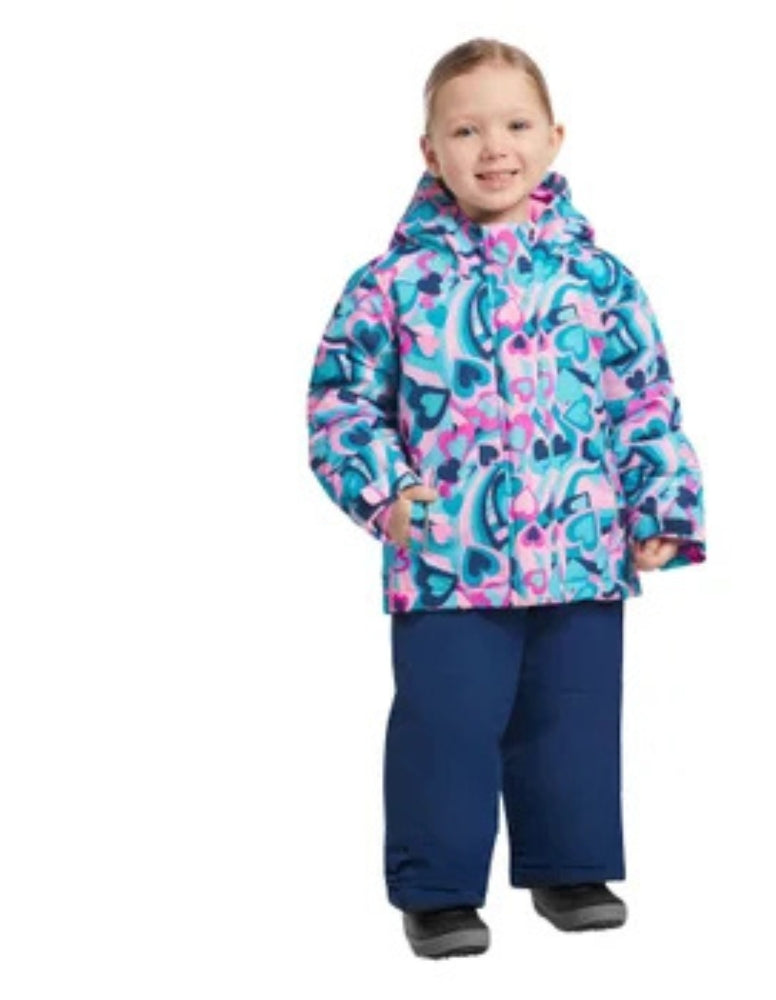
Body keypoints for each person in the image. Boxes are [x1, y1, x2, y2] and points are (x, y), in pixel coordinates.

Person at [306, 37, 706, 959]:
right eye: (467, 130)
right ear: (430, 151)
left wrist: (659, 508)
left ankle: (570, 866)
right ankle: (439, 891)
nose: (495, 147)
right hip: (450, 557)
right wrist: (386, 494)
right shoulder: (393, 285)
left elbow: (643, 399)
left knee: (572, 716)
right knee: (446, 727)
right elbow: (341, 403)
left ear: (555, 138)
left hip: (580, 549)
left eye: (517, 124)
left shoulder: (598, 281)